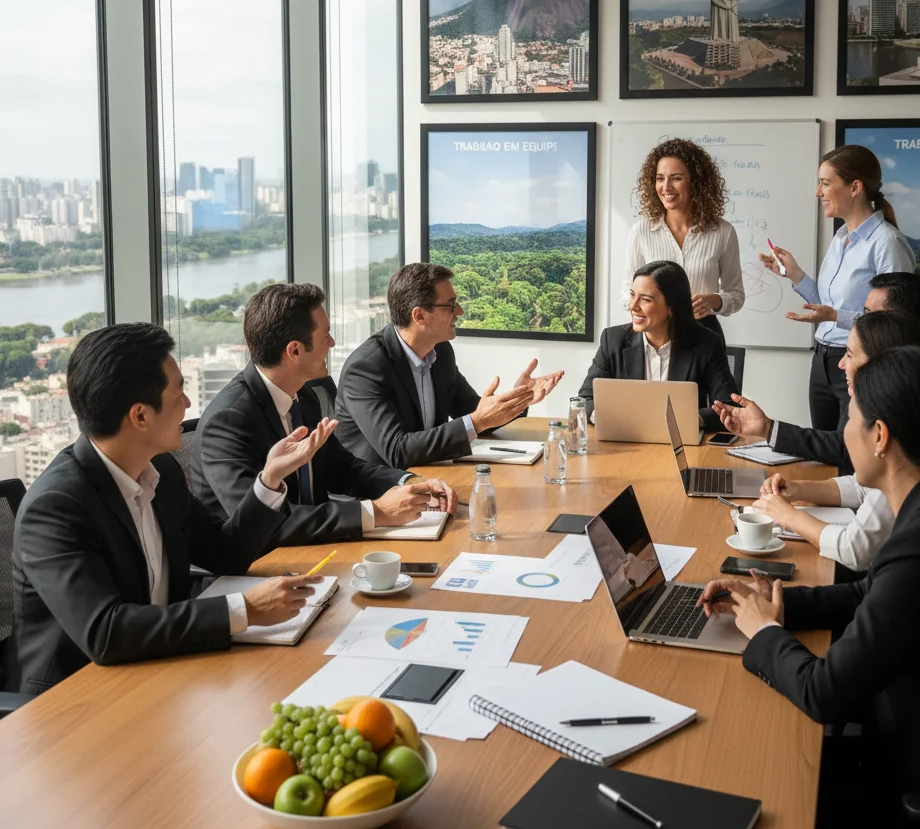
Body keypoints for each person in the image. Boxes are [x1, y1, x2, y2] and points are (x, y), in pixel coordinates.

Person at [699, 346, 920, 811]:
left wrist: (763, 630)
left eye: (849, 418)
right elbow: (871, 592)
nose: (842, 431)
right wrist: (776, 602)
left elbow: (823, 693)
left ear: (879, 436)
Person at [6, 324, 330, 694]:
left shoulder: (163, 473)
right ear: (140, 416)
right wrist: (243, 610)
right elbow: (105, 632)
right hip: (74, 700)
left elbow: (227, 553)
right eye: (178, 393)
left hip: (160, 668)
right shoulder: (56, 506)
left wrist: (270, 479)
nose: (188, 405)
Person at [192, 283, 457, 548]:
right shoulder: (228, 421)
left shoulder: (303, 395)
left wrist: (408, 481)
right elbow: (261, 523)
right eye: (326, 335)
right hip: (261, 568)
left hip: (317, 547)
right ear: (294, 351)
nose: (332, 343)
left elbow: (342, 468)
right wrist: (376, 512)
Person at [751, 310, 920, 572]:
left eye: (849, 354)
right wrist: (798, 489)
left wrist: (788, 516)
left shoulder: (906, 451)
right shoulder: (912, 415)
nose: (841, 365)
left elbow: (855, 551)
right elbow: (862, 488)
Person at [712, 270, 920, 475]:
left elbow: (846, 448)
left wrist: (769, 429)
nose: (860, 322)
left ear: (898, 323)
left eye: (869, 315)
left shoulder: (916, 385)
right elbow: (847, 446)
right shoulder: (910, 369)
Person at [334, 264, 563, 468]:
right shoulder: (366, 368)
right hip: (376, 495)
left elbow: (475, 413)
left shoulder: (441, 352)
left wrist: (519, 397)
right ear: (420, 316)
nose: (460, 312)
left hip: (430, 477)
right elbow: (397, 451)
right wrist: (478, 419)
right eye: (451, 305)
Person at [759, 144, 914, 430]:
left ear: (855, 187)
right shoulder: (841, 237)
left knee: (849, 458)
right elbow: (826, 304)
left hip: (861, 364)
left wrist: (834, 317)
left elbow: (897, 321)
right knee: (823, 451)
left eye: (825, 183)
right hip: (822, 360)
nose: (818, 192)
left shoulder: (887, 243)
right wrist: (795, 275)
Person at [581, 261, 738, 431]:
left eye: (645, 299)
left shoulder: (707, 344)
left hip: (682, 445)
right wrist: (603, 416)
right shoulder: (612, 340)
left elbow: (728, 407)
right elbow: (585, 399)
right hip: (626, 442)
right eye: (632, 295)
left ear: (671, 307)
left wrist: (690, 420)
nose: (633, 306)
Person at [621, 138, 744, 339]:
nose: (666, 187)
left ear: (695, 182)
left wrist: (714, 301)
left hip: (704, 335)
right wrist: (651, 305)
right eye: (660, 178)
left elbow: (736, 295)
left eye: (676, 178)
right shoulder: (641, 231)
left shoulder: (723, 232)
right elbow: (626, 291)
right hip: (654, 335)